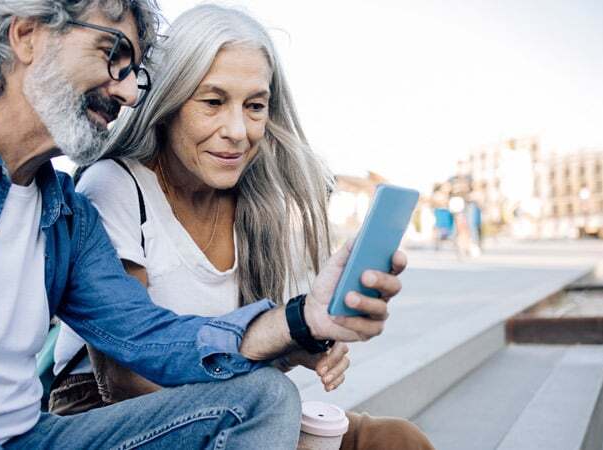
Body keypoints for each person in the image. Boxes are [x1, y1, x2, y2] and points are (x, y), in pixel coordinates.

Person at [0, 1, 406, 449]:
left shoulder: (65, 216)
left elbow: (154, 339)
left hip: (33, 437)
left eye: (134, 70)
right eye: (113, 53)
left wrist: (304, 319)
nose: (128, 90)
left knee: (265, 398)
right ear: (26, 33)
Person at [52, 5, 434, 450]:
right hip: (115, 416)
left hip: (233, 406)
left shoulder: (253, 202)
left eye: (255, 106)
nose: (237, 130)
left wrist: (296, 346)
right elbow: (126, 380)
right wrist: (261, 399)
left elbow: (235, 354)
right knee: (269, 400)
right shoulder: (116, 186)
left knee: (395, 440)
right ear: (170, 102)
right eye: (213, 102)